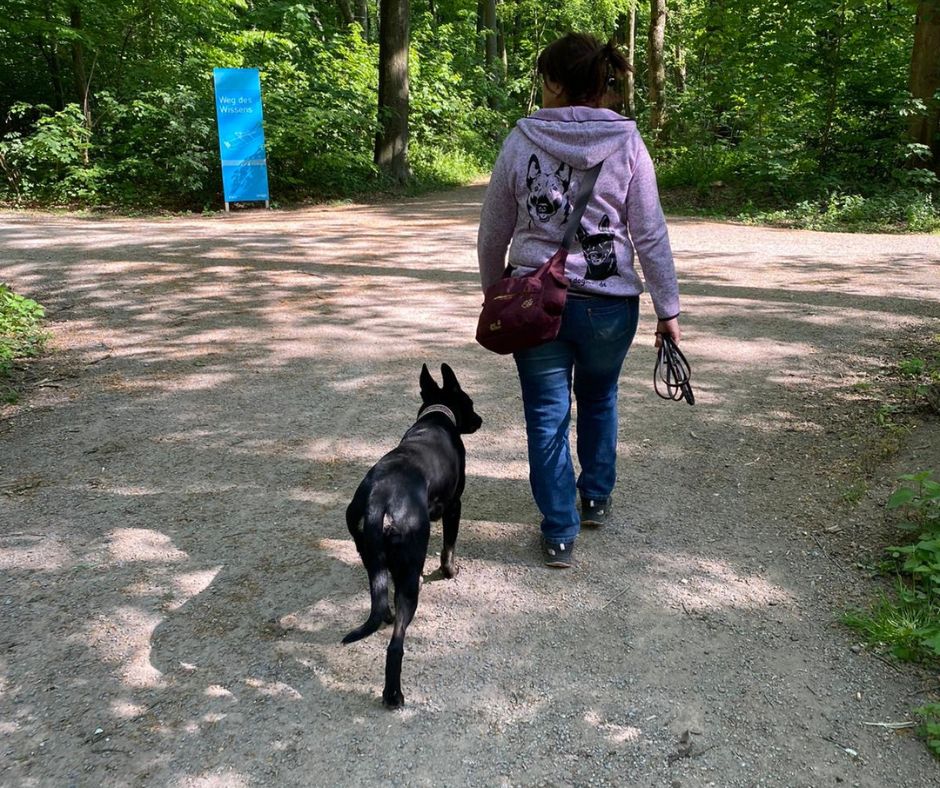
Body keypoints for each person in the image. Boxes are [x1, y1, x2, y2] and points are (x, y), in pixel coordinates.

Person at [476, 32, 682, 568]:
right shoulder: (628, 142)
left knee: (546, 415)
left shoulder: (522, 139)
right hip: (610, 305)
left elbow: (493, 230)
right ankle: (595, 497)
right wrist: (668, 308)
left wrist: (495, 294)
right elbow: (650, 232)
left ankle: (559, 532)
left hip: (534, 301)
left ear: (554, 83)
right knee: (599, 398)